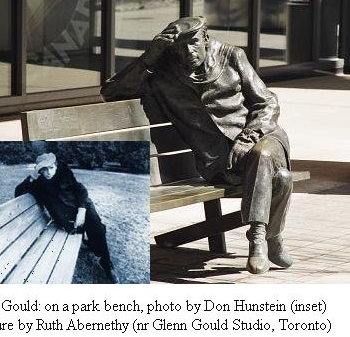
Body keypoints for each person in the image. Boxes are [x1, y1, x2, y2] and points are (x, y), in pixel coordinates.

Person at [101, 16, 293, 274]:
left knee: (263, 154)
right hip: (218, 162)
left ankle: (257, 238)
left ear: (205, 39)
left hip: (262, 136)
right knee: (280, 178)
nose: (188, 51)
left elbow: (267, 102)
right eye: (179, 47)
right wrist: (150, 57)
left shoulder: (232, 56)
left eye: (192, 43)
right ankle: (275, 237)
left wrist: (248, 137)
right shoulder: (164, 74)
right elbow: (110, 92)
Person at [15, 152, 120, 283]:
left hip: (82, 205)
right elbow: (18, 192)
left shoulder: (64, 171)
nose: (48, 172)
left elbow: (80, 189)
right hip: (65, 216)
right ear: (39, 171)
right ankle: (90, 242)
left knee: (97, 229)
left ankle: (106, 265)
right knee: (88, 230)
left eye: (51, 168)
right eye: (43, 170)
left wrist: (81, 211)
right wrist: (32, 177)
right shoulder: (38, 183)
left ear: (56, 165)